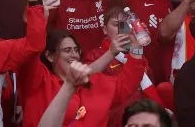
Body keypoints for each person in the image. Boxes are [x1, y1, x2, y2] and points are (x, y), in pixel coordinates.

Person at [17, 29, 146, 127]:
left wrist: (137, 48)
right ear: (51, 56)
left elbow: (128, 83)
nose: (74, 55)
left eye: (76, 50)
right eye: (67, 50)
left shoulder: (97, 81)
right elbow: (30, 50)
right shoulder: (38, 81)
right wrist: (36, 5)